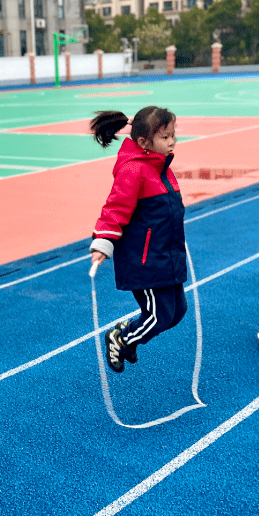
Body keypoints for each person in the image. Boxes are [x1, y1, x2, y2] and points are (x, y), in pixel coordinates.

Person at [89, 107, 187, 373]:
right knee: (159, 316)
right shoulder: (133, 170)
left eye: (172, 136)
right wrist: (103, 241)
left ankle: (127, 334)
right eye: (165, 137)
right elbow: (115, 208)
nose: (172, 142)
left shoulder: (161, 168)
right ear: (144, 143)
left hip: (166, 255)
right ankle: (121, 339)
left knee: (177, 312)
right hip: (144, 260)